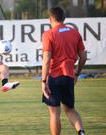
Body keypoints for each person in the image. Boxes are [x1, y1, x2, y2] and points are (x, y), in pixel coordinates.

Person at [41, 7, 87, 135]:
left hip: (54, 78)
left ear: (50, 19)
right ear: (64, 18)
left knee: (54, 113)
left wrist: (43, 81)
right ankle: (81, 132)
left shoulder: (48, 34)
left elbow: (46, 59)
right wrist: (77, 73)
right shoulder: (74, 32)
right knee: (70, 109)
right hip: (69, 77)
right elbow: (83, 57)